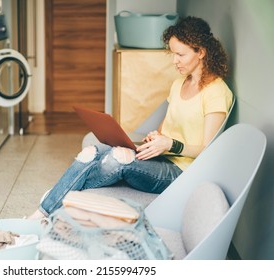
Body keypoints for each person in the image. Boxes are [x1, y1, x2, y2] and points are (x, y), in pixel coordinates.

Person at [28, 16, 233, 220]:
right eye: (172, 54)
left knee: (117, 160)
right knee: (92, 151)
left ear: (201, 52)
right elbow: (165, 127)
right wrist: (156, 138)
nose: (174, 61)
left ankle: (61, 198)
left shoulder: (216, 92)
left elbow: (208, 149)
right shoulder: (179, 84)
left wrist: (170, 144)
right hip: (160, 156)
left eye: (180, 54)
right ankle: (40, 214)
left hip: (181, 172)